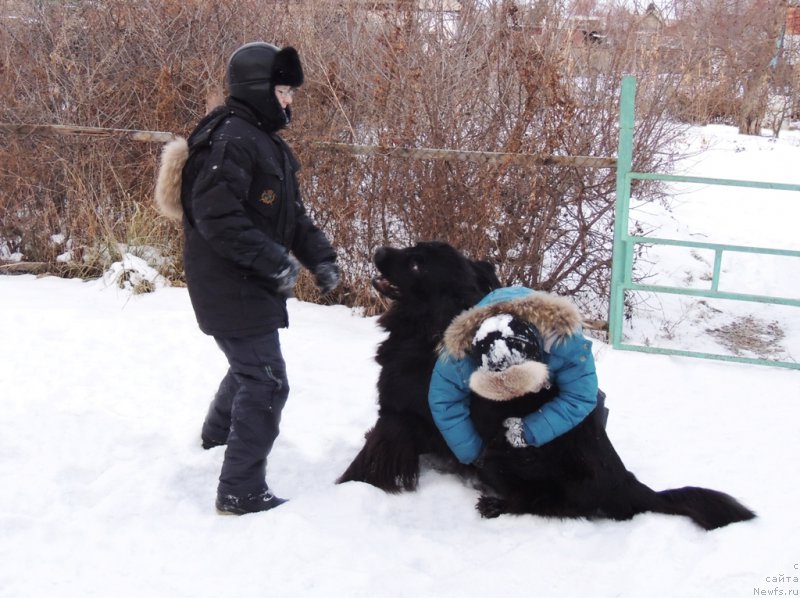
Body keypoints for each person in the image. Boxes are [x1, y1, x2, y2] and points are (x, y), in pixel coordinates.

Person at [155, 42, 340, 515]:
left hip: (244, 278)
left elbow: (290, 215)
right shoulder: (232, 139)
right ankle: (240, 490)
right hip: (228, 279)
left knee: (250, 370)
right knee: (267, 381)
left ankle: (218, 439)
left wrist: (319, 257)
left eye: (290, 91)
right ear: (258, 88)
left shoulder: (261, 139)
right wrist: (271, 260)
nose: (289, 100)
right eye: (282, 89)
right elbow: (215, 216)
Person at [428, 286, 606, 465]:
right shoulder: (460, 353)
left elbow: (581, 397)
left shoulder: (564, 341)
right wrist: (476, 455)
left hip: (553, 376)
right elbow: (445, 403)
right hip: (491, 385)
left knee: (595, 405)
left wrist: (529, 430)